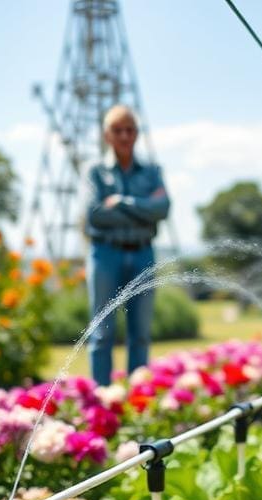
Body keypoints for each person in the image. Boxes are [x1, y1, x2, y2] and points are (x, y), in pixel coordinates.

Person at [83, 104, 170, 385]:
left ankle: (136, 398)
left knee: (141, 334)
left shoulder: (152, 170)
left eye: (130, 129)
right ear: (107, 135)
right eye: (117, 130)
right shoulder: (95, 172)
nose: (124, 136)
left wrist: (121, 202)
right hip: (105, 254)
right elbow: (95, 214)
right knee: (102, 333)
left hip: (142, 253)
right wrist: (144, 207)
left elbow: (163, 208)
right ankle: (100, 396)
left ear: (137, 133)